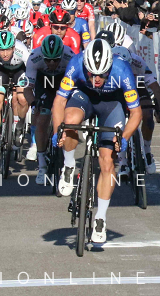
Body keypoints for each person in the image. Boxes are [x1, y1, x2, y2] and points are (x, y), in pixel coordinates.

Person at [51, 38, 144, 244]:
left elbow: (136, 113)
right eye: (92, 74)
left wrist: (124, 138)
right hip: (83, 97)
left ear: (110, 67)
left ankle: (100, 217)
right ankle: (69, 165)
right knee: (70, 122)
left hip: (111, 104)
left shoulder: (122, 69)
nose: (96, 79)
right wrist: (59, 131)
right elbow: (59, 101)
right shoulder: (76, 63)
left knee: (107, 161)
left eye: (102, 74)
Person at [99, 18, 160, 170]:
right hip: (117, 87)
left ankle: (147, 150)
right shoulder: (108, 61)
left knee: (147, 114)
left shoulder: (136, 60)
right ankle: (123, 162)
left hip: (135, 84)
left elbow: (154, 86)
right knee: (118, 121)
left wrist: (159, 108)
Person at [23, 34, 75, 182]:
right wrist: (34, 104)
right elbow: (27, 89)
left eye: (56, 60)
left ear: (61, 55)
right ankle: (42, 166)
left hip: (63, 81)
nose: (52, 63)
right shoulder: (34, 57)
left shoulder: (70, 56)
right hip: (43, 82)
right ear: (43, 56)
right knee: (42, 119)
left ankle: (66, 158)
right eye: (48, 60)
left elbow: (79, 84)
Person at [0, 29, 32, 158]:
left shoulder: (22, 50)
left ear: (13, 47)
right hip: (1, 70)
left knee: (22, 98)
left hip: (20, 70)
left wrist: (30, 86)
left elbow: (32, 70)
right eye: (1, 50)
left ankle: (20, 126)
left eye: (8, 50)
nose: (4, 54)